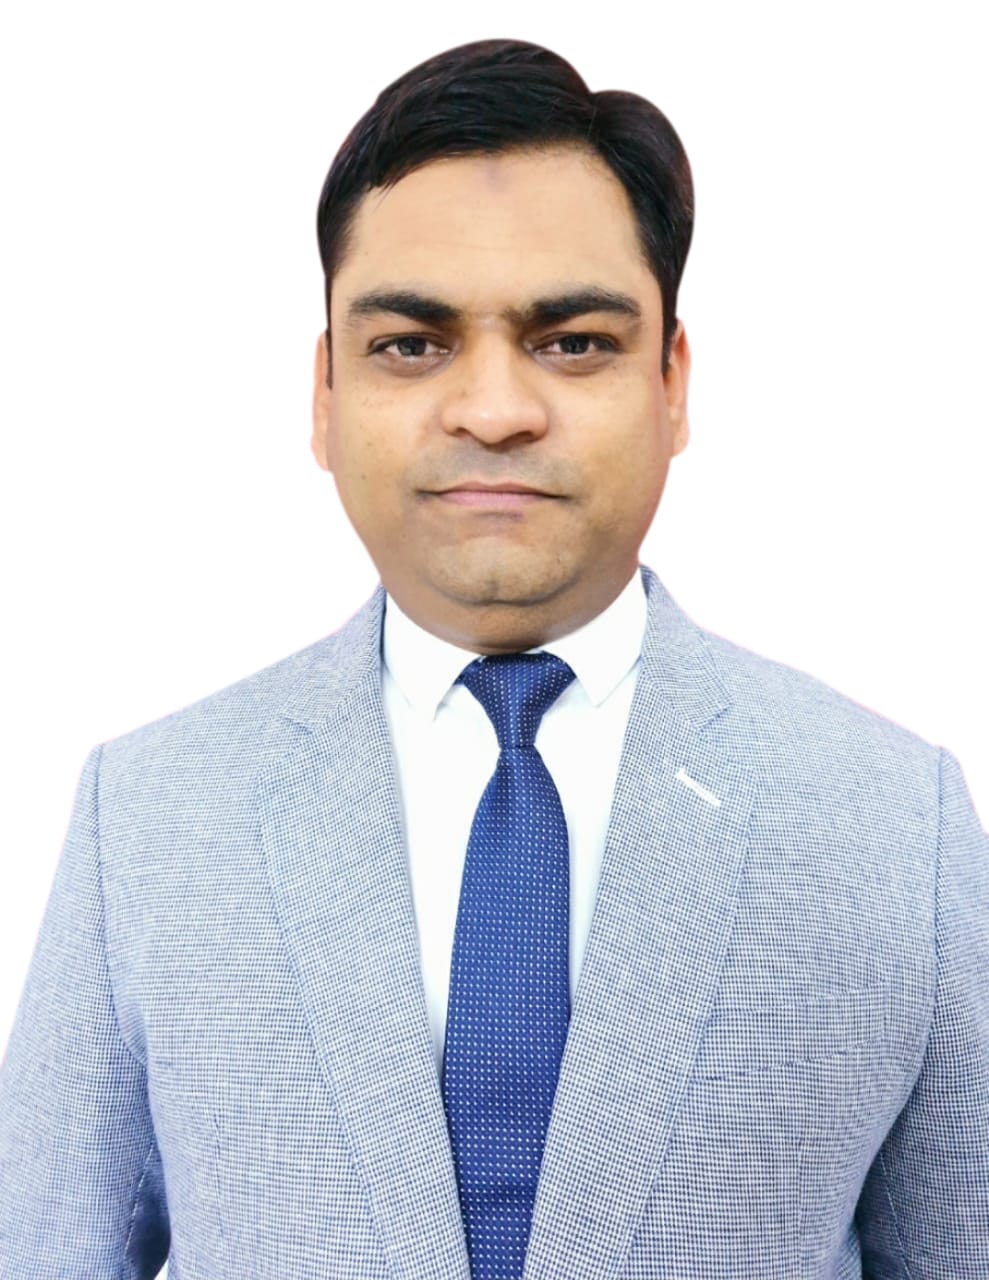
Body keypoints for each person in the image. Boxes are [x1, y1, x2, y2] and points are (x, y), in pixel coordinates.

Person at [0, 35, 986, 1280]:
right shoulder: (148, 816)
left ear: (673, 383)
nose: (494, 408)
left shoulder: (890, 821)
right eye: (410, 343)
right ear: (324, 394)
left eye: (571, 340)